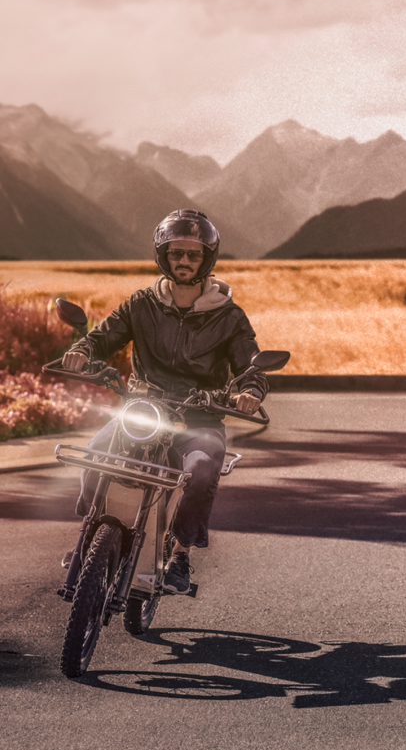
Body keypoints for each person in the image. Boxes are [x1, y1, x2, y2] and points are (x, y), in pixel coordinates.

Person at [62, 210, 267, 593]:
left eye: (193, 254)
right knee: (95, 452)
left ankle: (180, 553)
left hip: (199, 417)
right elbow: (103, 337)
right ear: (163, 256)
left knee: (203, 467)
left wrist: (251, 392)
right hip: (143, 409)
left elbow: (249, 366)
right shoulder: (141, 304)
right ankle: (91, 534)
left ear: (207, 258)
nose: (184, 261)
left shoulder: (229, 316)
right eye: (176, 253)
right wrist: (82, 350)